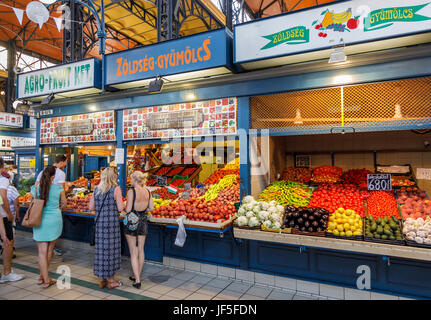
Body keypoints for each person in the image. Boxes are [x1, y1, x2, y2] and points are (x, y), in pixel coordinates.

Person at [31, 166, 66, 288]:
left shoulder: (35, 188)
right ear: (53, 177)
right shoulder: (59, 188)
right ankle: (45, 279)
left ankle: (43, 277)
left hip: (39, 220)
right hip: (55, 220)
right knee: (49, 250)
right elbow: (64, 204)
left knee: (41, 252)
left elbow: (32, 202)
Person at [89, 167, 125, 290]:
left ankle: (102, 279)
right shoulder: (116, 189)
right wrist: (125, 204)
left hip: (99, 225)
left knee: (101, 251)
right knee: (111, 251)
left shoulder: (96, 189)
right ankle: (111, 281)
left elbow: (90, 207)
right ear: (113, 176)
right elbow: (120, 208)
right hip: (112, 226)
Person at [124, 171, 153, 289]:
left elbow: (128, 209)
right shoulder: (147, 191)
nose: (130, 181)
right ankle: (137, 275)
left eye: (131, 178)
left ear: (135, 179)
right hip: (143, 219)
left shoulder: (131, 192)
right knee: (141, 249)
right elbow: (151, 208)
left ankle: (137, 280)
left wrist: (125, 204)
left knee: (133, 251)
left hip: (132, 220)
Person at [36, 154, 69, 257]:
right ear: (62, 162)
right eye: (65, 162)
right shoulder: (61, 174)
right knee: (50, 244)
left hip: (40, 213)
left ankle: (43, 271)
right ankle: (51, 254)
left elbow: (36, 186)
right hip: (54, 212)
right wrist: (68, 188)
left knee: (42, 248)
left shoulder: (42, 172)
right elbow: (61, 192)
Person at [0, 157, 24, 283]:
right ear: (2, 167)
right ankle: (7, 272)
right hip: (3, 217)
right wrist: (9, 214)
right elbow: (3, 196)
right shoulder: (3, 179)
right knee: (8, 243)